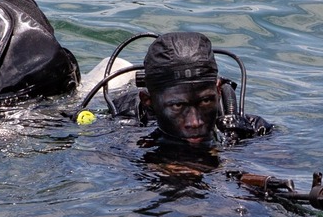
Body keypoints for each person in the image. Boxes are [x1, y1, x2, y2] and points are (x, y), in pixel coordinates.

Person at [112, 31, 272, 146]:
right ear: (148, 101)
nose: (195, 122)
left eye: (205, 101)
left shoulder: (254, 128)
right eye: (178, 105)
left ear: (218, 90)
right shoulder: (125, 130)